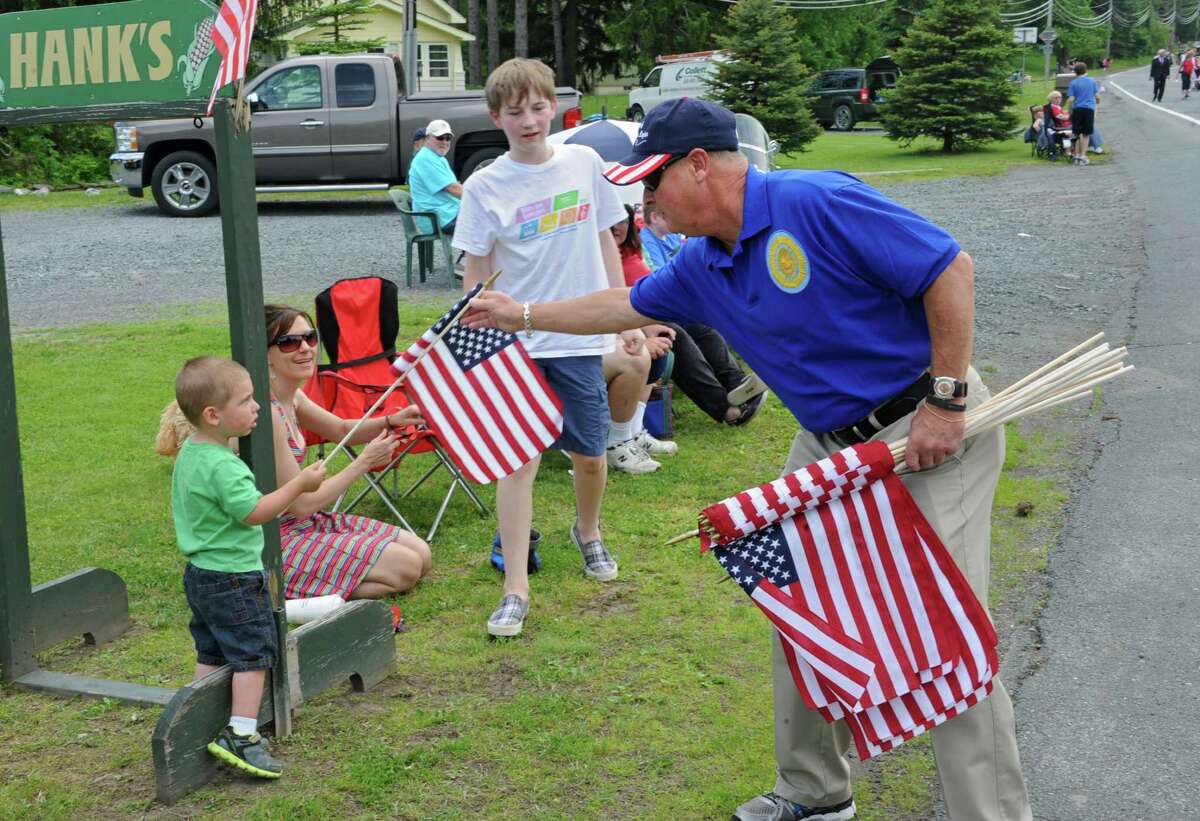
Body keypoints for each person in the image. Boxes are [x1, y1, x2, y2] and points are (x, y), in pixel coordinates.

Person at [464, 97, 1032, 821]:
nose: (645, 202)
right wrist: (523, 314)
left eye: (652, 183)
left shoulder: (814, 200)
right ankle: (814, 788)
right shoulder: (704, 264)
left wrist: (947, 401)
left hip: (924, 430)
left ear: (699, 165)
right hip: (831, 444)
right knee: (796, 600)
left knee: (943, 631)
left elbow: (949, 268)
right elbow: (622, 304)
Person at [451, 57, 631, 638]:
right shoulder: (483, 186)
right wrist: (475, 335)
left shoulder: (585, 163)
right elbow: (475, 273)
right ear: (495, 116)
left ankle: (590, 532)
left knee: (590, 455)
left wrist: (624, 310)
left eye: (537, 107)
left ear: (553, 107)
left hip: (579, 335)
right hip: (514, 346)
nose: (528, 120)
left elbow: (606, 236)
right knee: (517, 463)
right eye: (514, 111)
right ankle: (515, 588)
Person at [171, 356, 328, 779]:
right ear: (213, 414)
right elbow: (256, 511)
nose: (258, 407)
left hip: (201, 574)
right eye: (246, 400)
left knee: (211, 650)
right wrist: (299, 484)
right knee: (253, 653)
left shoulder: (194, 450)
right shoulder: (224, 466)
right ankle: (241, 734)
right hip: (235, 578)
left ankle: (191, 717)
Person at [266, 305, 433, 602]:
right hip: (276, 539)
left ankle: (318, 584)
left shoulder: (292, 397)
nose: (305, 349)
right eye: (289, 342)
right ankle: (281, 592)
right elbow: (302, 504)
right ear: (265, 354)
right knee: (406, 568)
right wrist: (364, 462)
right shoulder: (268, 415)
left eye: (310, 338)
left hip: (306, 524)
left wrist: (391, 420)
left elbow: (342, 429)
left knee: (422, 554)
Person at [641, 201, 769, 425]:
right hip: (648, 313)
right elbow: (662, 278)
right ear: (654, 218)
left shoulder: (665, 238)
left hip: (666, 306)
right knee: (676, 335)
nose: (618, 231)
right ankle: (724, 408)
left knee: (703, 327)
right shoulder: (645, 241)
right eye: (664, 214)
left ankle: (738, 383)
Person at [604, 203, 679, 473]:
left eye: (622, 221)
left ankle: (633, 433)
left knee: (667, 344)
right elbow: (597, 311)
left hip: (630, 322)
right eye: (611, 222)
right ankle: (618, 441)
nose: (617, 227)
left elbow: (621, 305)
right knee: (641, 356)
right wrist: (641, 338)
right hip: (590, 342)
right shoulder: (596, 258)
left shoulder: (629, 250)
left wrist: (646, 330)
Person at [408, 119, 463, 234]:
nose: (444, 141)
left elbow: (456, 188)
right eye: (440, 137)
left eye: (448, 138)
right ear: (427, 138)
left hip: (446, 214)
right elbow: (454, 189)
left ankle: (471, 252)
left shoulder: (436, 157)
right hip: (438, 219)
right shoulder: (426, 158)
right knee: (489, 221)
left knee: (489, 218)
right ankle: (470, 252)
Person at [1066, 62, 1101, 165]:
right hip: (1088, 109)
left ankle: (1076, 155)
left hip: (1077, 109)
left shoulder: (1073, 83)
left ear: (1075, 72)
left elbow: (1071, 99)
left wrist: (1069, 111)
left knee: (1076, 133)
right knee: (1086, 134)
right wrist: (1097, 102)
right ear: (1086, 70)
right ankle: (1083, 155)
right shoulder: (1092, 81)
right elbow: (1097, 96)